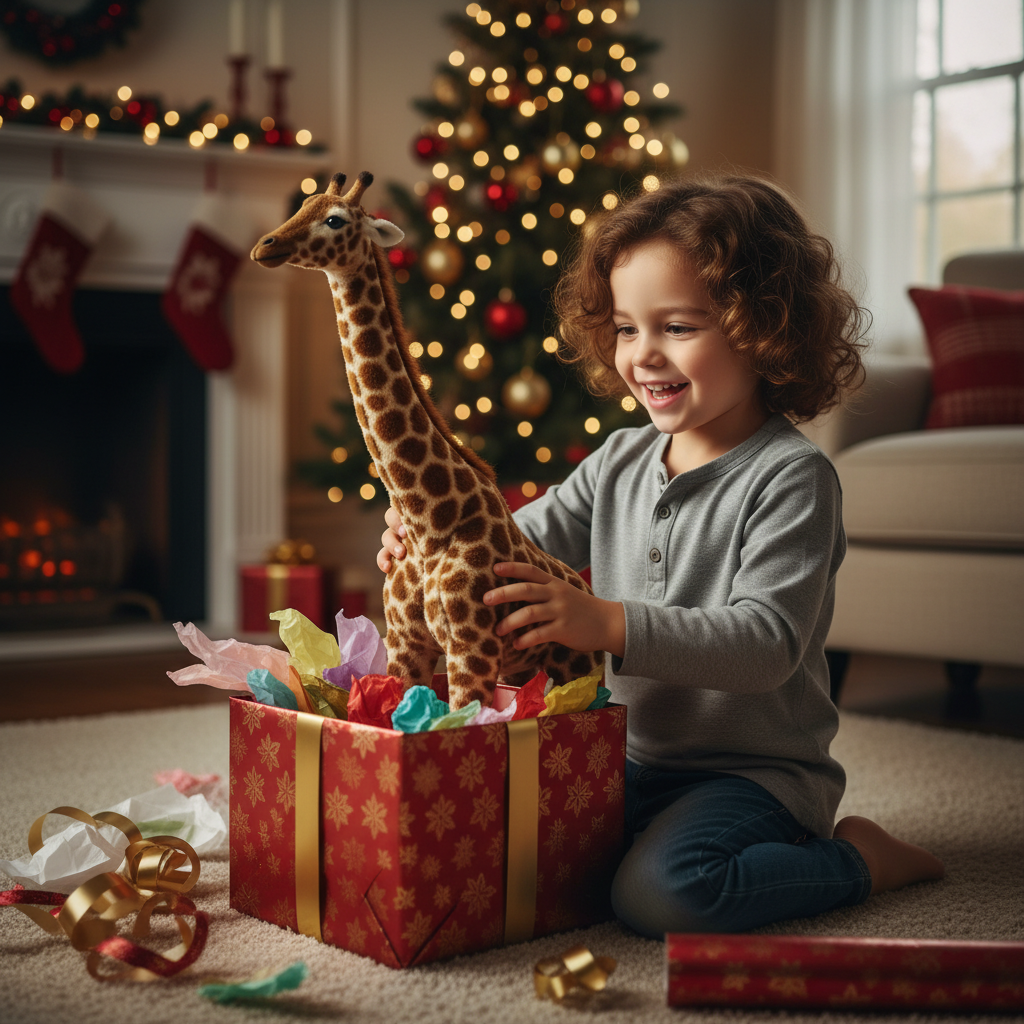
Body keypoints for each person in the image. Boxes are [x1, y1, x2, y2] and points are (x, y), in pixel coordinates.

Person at [377, 173, 944, 936]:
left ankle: (861, 861)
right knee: (503, 852)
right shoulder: (619, 460)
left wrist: (608, 624)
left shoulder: (792, 478)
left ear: (763, 327)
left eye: (678, 326)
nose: (643, 356)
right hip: (625, 757)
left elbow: (766, 645)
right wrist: (433, 544)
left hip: (754, 775)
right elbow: (511, 548)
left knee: (662, 897)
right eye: (625, 328)